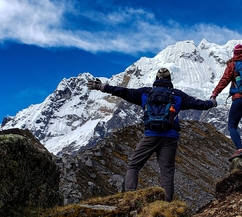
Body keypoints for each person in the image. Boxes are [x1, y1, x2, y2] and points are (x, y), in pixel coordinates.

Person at [87, 67, 215, 202]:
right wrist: (211, 102)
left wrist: (101, 87)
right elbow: (198, 104)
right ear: (169, 80)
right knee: (167, 174)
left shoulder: (145, 93)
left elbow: (123, 92)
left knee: (134, 166)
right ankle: (165, 207)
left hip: (150, 135)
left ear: (156, 79)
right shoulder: (177, 95)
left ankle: (129, 199)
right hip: (170, 137)